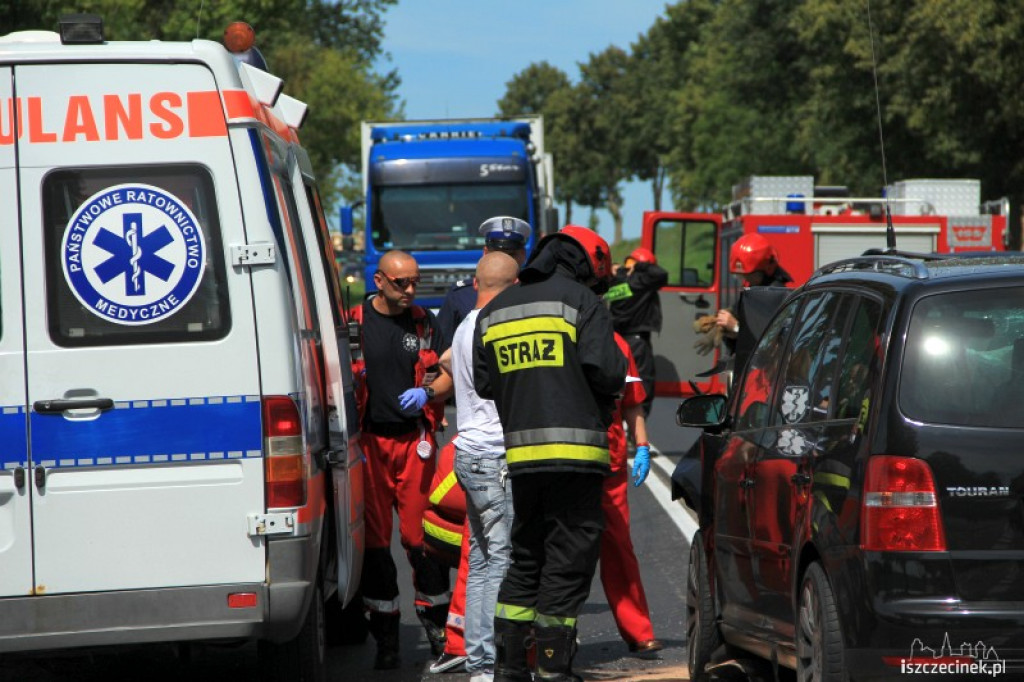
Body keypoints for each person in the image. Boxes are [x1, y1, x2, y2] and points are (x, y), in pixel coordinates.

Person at [473, 225, 627, 682]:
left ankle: (509, 668)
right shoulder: (583, 303)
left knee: (526, 558)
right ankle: (553, 669)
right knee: (568, 560)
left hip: (522, 460)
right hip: (576, 458)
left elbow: (484, 383)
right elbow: (608, 373)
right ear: (586, 263)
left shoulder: (495, 310)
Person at [350, 249, 451, 670]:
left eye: (415, 282)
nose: (410, 290)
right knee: (374, 546)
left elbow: (449, 372)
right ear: (379, 281)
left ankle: (439, 634)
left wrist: (428, 393)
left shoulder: (425, 323)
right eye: (401, 283)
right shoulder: (353, 323)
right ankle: (386, 639)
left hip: (415, 445)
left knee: (422, 540)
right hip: (370, 445)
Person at [444, 251, 521, 682]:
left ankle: (478, 661)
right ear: (512, 288)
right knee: (500, 560)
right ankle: (490, 661)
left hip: (468, 450)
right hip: (494, 455)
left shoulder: (462, 328)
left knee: (480, 559)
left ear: (476, 283)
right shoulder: (496, 327)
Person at [600, 333, 663, 655]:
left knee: (619, 549)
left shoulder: (616, 343)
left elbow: (632, 402)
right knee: (559, 553)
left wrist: (642, 446)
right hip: (564, 464)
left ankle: (638, 631)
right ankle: (547, 641)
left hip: (609, 466)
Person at [436, 216, 533, 351]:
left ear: (523, 255)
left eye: (511, 254)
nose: (503, 260)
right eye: (498, 253)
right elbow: (441, 349)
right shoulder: (461, 295)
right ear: (485, 253)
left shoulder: (534, 292)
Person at [606, 247, 668, 417]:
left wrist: (618, 269)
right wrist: (642, 267)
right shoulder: (641, 281)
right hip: (637, 344)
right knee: (642, 387)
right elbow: (662, 274)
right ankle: (636, 434)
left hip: (617, 341)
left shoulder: (617, 282)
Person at [713, 233, 793, 344]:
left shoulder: (776, 297)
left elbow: (768, 341)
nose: (744, 279)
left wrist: (736, 328)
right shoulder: (753, 291)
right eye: (740, 275)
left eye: (748, 274)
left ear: (767, 268)